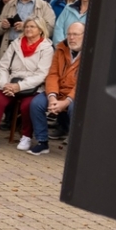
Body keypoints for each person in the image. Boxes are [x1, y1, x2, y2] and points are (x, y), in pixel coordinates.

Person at [0, 17, 53, 151]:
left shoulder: (47, 48)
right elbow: (2, 66)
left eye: (32, 27)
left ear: (41, 30)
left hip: (32, 86)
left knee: (28, 106)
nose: (28, 29)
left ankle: (26, 136)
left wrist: (19, 87)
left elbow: (42, 74)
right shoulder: (15, 44)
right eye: (27, 26)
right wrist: (5, 84)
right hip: (11, 82)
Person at [31, 21, 83, 156]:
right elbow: (53, 74)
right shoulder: (61, 49)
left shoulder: (91, 53)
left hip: (77, 95)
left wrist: (66, 102)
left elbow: (83, 82)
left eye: (76, 34)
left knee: (75, 108)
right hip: (58, 92)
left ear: (85, 35)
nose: (71, 38)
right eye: (69, 34)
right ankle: (42, 142)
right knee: (36, 104)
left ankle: (75, 147)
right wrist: (52, 96)